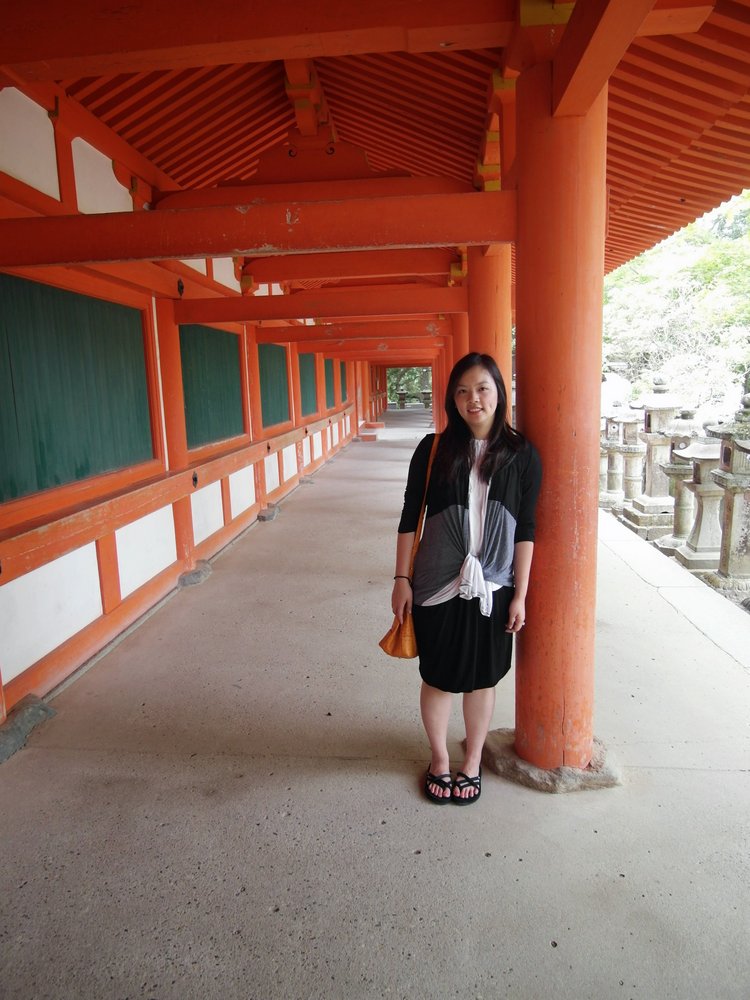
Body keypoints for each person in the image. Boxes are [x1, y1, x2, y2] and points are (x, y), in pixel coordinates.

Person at [391, 352, 541, 805]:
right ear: (451, 399)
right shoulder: (433, 449)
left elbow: (526, 528)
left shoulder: (521, 455)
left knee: (482, 678)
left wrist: (521, 595)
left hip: (494, 586)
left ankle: (472, 761)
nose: (472, 399)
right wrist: (400, 578)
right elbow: (409, 516)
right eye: (462, 391)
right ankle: (439, 758)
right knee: (437, 676)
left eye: (481, 389)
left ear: (498, 393)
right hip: (436, 582)